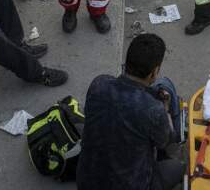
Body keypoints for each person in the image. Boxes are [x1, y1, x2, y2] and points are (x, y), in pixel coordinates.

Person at [78, 33, 184, 190]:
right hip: (133, 183)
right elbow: (165, 141)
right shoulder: (153, 110)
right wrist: (165, 109)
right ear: (154, 72)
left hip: (87, 182)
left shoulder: (98, 84)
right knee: (181, 167)